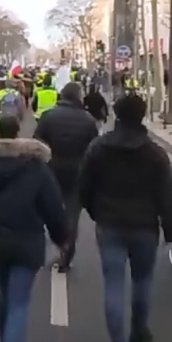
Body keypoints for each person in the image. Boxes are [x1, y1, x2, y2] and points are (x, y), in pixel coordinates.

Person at [77, 94, 172, 342]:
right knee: (142, 282)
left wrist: (96, 212)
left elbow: (83, 188)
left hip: (110, 225)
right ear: (142, 116)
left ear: (116, 115)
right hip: (145, 227)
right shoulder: (155, 154)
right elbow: (166, 195)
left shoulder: (98, 148)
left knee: (113, 284)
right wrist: (170, 231)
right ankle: (139, 334)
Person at [0, 116, 68, 342]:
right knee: (19, 304)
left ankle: (0, 340)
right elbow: (52, 207)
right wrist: (61, 238)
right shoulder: (37, 167)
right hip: (27, 242)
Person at [34, 82, 99, 272]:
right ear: (78, 97)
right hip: (77, 172)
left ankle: (52, 246)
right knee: (72, 215)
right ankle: (66, 255)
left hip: (51, 170)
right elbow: (94, 148)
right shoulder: (88, 120)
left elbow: (36, 142)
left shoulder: (48, 116)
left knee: (48, 211)